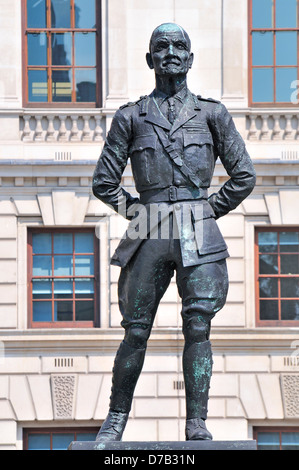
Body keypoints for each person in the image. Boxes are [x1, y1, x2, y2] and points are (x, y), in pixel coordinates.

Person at [92, 23, 256, 441]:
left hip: (197, 229)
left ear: (190, 58)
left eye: (179, 46)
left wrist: (206, 211)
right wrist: (140, 213)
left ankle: (196, 422)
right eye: (161, 47)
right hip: (149, 227)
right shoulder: (130, 116)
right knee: (136, 328)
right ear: (149, 59)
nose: (170, 52)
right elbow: (103, 182)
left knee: (198, 325)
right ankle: (115, 420)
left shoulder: (212, 113)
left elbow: (243, 175)